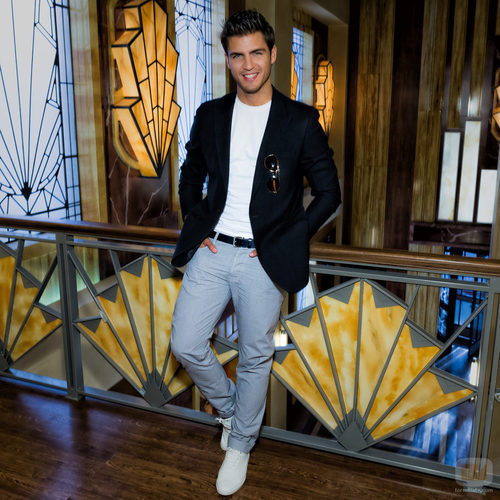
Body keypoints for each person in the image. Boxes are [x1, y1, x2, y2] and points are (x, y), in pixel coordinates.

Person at [170, 9, 341, 496]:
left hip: (262, 260)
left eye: (256, 53)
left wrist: (290, 236)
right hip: (213, 249)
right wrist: (196, 223)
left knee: (255, 356)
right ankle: (233, 412)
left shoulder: (300, 121)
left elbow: (329, 193)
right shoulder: (210, 114)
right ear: (228, 60)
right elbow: (190, 175)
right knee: (185, 343)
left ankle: (241, 443)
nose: (248, 65)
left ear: (272, 55)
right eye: (237, 56)